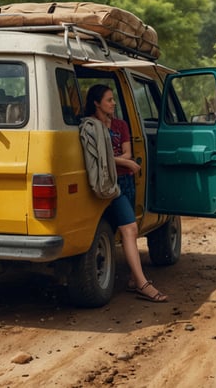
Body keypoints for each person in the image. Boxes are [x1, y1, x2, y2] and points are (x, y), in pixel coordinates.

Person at [83, 84, 168, 303]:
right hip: (109, 184)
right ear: (96, 103)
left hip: (126, 181)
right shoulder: (89, 126)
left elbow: (127, 152)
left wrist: (115, 158)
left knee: (131, 228)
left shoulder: (120, 125)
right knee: (129, 229)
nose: (113, 103)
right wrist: (123, 162)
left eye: (113, 99)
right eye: (109, 100)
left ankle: (133, 277)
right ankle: (142, 283)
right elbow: (102, 158)